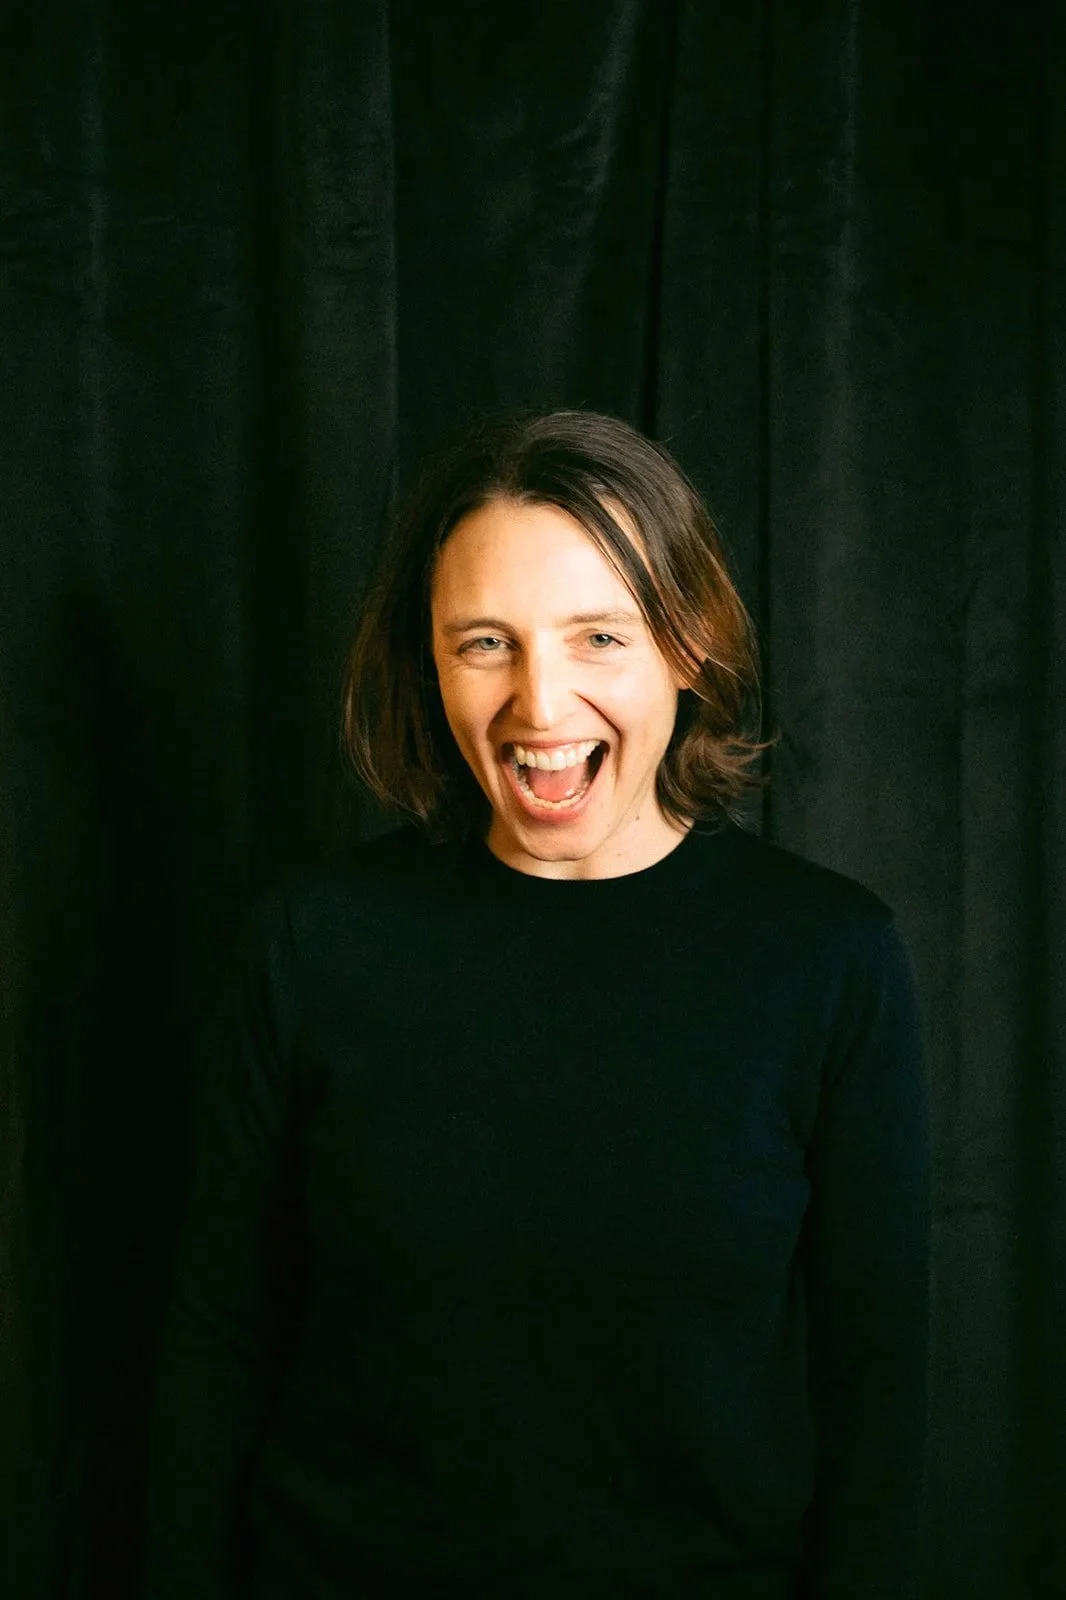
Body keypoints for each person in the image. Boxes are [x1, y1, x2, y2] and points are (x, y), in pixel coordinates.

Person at [144, 410, 931, 1599]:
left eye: (600, 636)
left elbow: (875, 1402)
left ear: (692, 647)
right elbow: (217, 1348)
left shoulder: (829, 957)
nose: (540, 704)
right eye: (484, 644)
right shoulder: (310, 947)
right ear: (429, 662)